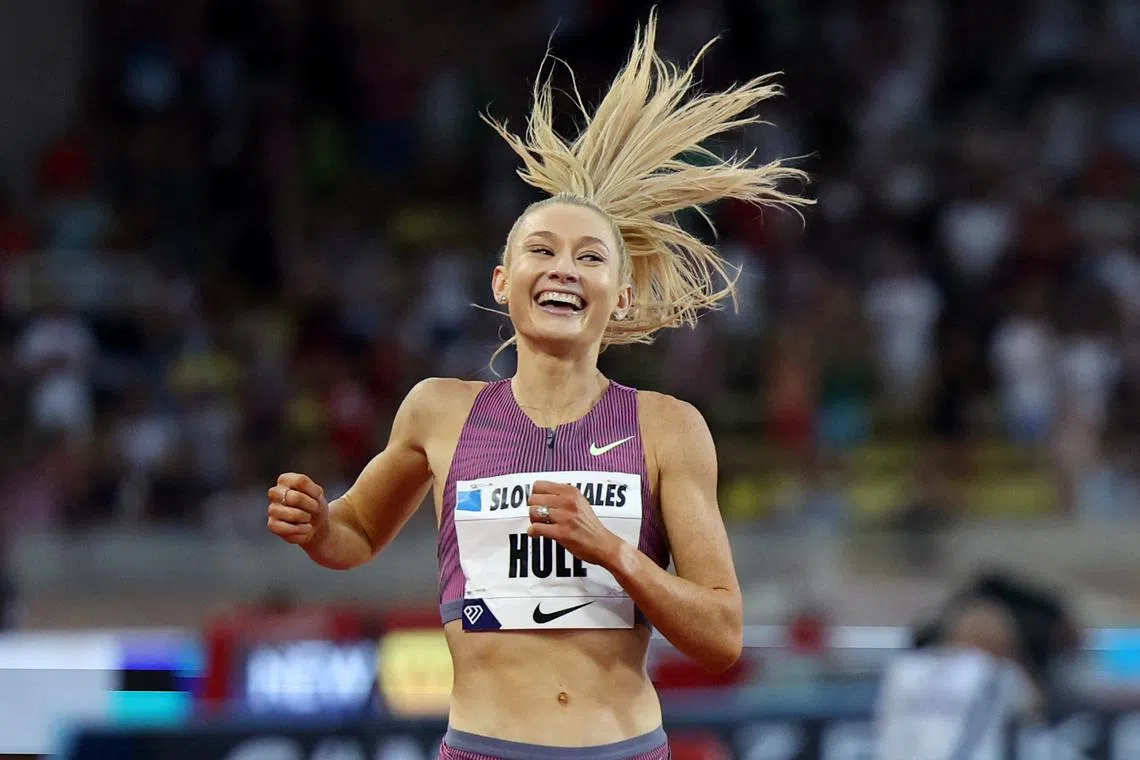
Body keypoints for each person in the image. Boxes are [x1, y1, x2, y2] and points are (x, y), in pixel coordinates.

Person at [266, 12, 809, 760]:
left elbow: (721, 636)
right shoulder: (438, 411)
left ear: (621, 297)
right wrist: (316, 525)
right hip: (484, 747)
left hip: (621, 748)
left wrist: (612, 551)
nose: (563, 269)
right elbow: (355, 532)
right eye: (542, 250)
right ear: (503, 281)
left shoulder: (667, 427)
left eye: (590, 257)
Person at [876, 598, 1045, 760]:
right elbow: (1034, 709)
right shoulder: (996, 673)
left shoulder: (905, 669)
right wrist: (1016, 657)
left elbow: (888, 723)